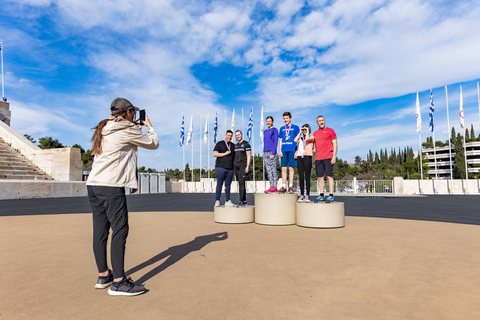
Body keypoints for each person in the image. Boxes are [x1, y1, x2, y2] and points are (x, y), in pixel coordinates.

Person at [86, 97, 159, 296]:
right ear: (127, 113)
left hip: (93, 185)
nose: (135, 116)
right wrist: (149, 126)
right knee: (120, 230)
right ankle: (118, 282)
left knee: (100, 232)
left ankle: (104, 275)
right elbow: (153, 144)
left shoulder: (105, 127)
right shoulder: (127, 130)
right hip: (110, 186)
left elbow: (125, 138)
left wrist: (134, 127)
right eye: (133, 113)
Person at [306, 115, 337, 203]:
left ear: (325, 121)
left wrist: (334, 156)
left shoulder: (331, 131)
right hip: (318, 158)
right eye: (319, 121)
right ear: (317, 123)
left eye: (322, 120)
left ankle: (331, 195)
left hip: (328, 157)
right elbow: (312, 143)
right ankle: (321, 195)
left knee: (329, 176)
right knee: (320, 177)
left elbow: (335, 144)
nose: (321, 122)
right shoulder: (315, 133)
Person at [278, 112, 300, 193]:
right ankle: (283, 186)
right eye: (284, 118)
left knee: (291, 168)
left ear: (290, 118)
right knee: (283, 168)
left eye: (287, 118)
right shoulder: (281, 128)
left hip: (292, 150)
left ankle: (290, 186)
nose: (285, 120)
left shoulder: (296, 127)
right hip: (284, 150)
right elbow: (280, 140)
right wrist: (279, 150)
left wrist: (297, 151)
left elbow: (298, 140)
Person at [213, 130, 235, 207]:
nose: (229, 137)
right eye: (228, 135)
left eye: (231, 136)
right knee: (219, 184)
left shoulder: (233, 145)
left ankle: (228, 200)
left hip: (230, 168)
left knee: (228, 185)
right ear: (225, 135)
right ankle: (217, 200)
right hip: (220, 167)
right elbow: (214, 154)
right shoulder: (220, 143)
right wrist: (225, 153)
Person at [294, 124, 314, 203]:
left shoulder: (311, 138)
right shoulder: (300, 139)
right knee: (301, 177)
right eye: (304, 130)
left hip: (307, 157)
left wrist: (307, 131)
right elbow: (295, 140)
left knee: (307, 177)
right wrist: (300, 132)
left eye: (306, 129)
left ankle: (308, 195)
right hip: (300, 157)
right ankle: (302, 194)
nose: (305, 131)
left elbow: (308, 139)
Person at [233, 130, 251, 206]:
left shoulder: (246, 144)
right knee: (240, 183)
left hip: (243, 165)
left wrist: (247, 166)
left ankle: (241, 201)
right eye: (236, 135)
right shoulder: (235, 146)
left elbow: (249, 156)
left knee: (241, 182)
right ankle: (244, 200)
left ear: (242, 134)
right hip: (236, 166)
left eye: (239, 135)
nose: (238, 136)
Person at [263, 116, 279, 193]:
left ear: (272, 122)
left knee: (273, 169)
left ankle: (275, 186)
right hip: (265, 152)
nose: (268, 122)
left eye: (269, 121)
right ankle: (271, 186)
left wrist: (273, 152)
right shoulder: (265, 131)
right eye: (267, 121)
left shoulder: (274, 130)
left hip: (271, 152)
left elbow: (276, 141)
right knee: (268, 170)